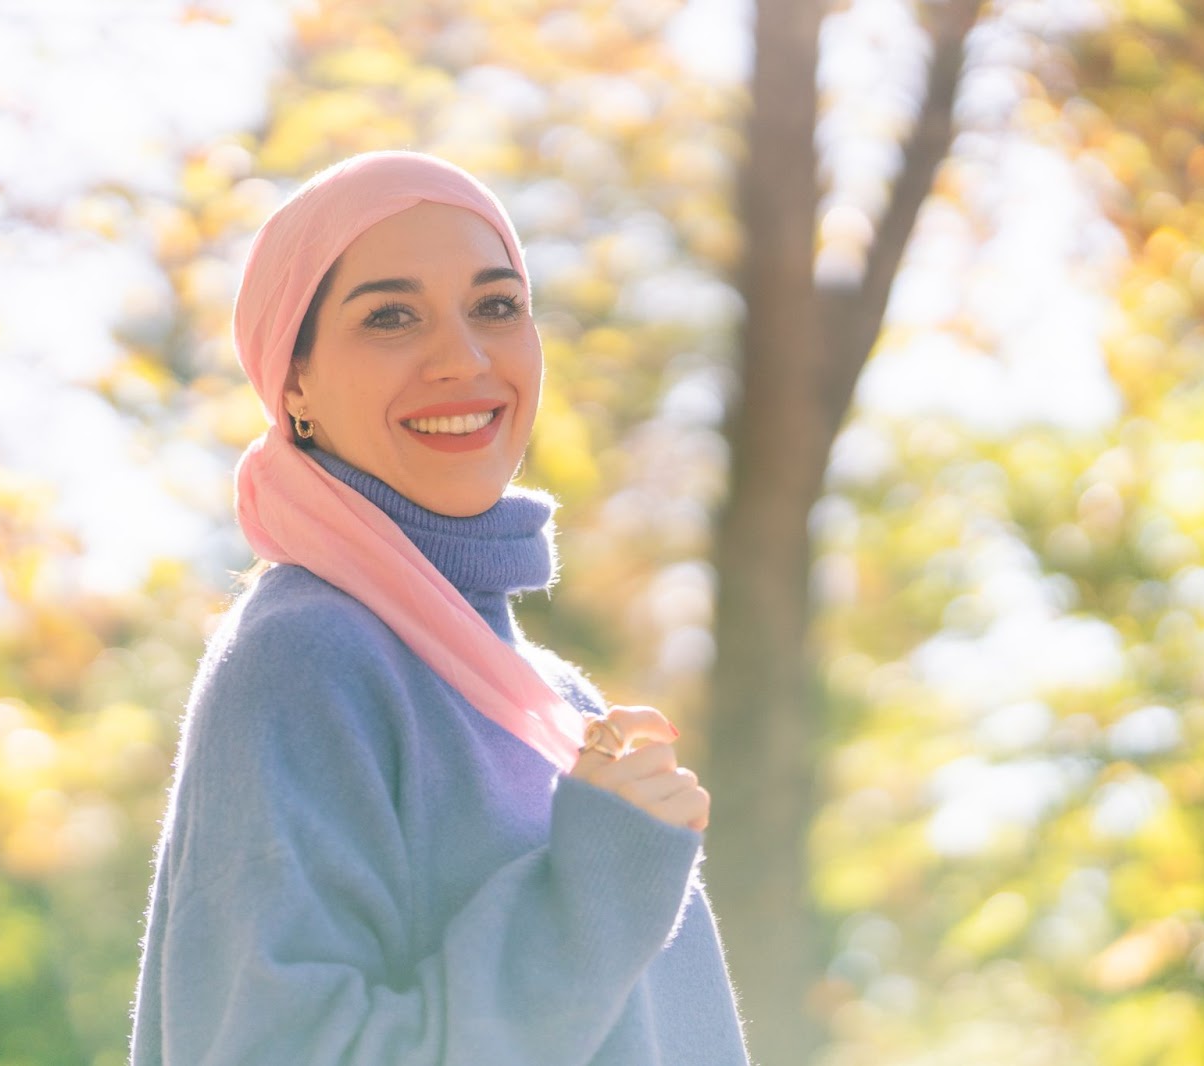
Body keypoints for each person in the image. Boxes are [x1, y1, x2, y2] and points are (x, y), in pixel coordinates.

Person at [129, 151, 752, 1065]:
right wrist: (587, 901)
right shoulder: (308, 656)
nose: (462, 357)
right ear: (292, 382)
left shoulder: (561, 704)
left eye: (497, 306)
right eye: (389, 317)